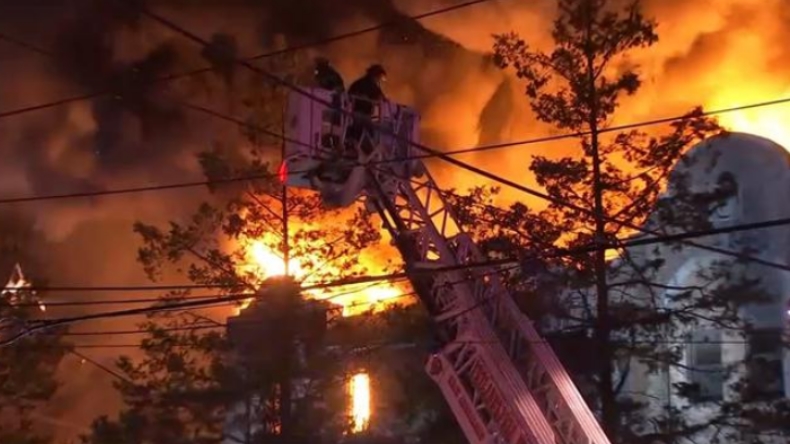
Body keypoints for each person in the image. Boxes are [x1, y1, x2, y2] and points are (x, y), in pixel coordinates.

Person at [346, 64, 387, 154]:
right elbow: (381, 99)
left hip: (355, 112)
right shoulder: (372, 86)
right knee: (370, 133)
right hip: (364, 114)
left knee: (355, 131)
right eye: (379, 77)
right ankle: (368, 152)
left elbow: (349, 95)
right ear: (376, 75)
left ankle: (351, 145)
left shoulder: (358, 83)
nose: (379, 80)